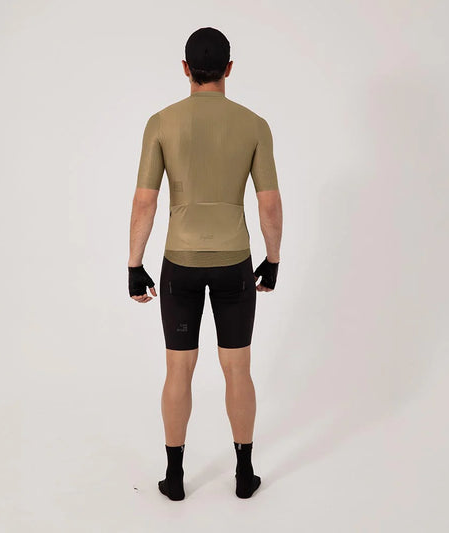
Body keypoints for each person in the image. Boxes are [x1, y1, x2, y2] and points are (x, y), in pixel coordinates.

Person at [128, 27, 282, 500]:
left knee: (178, 370)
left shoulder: (161, 122)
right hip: (235, 263)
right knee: (238, 368)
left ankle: (174, 477)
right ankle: (244, 474)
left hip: (181, 264)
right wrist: (273, 259)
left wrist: (134, 264)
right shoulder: (254, 125)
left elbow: (145, 201)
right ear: (229, 69)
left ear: (185, 69)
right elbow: (270, 203)